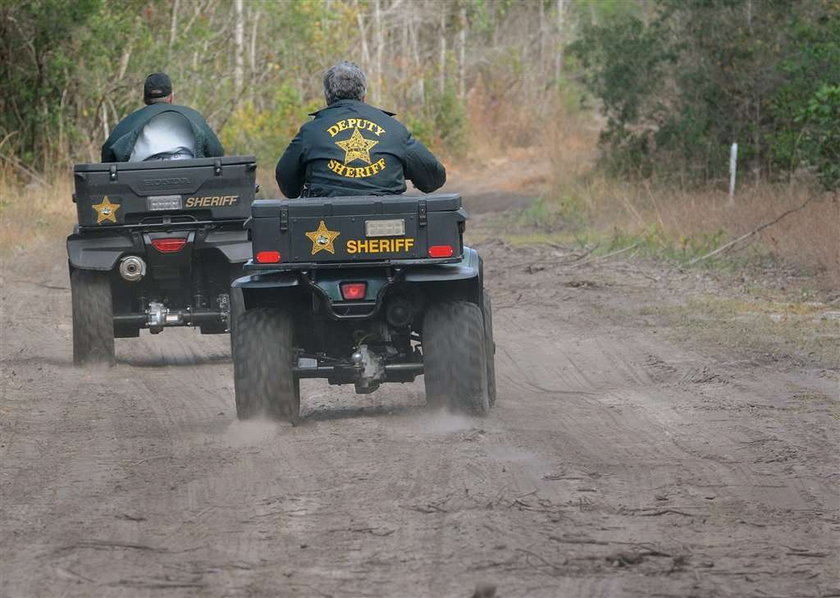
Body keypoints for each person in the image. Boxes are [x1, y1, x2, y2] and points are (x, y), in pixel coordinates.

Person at [276, 61, 445, 197]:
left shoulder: (310, 132)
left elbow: (287, 184)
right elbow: (433, 177)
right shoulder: (394, 129)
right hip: (388, 231)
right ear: (364, 94)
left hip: (325, 231)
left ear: (327, 96)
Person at [101, 72, 224, 162]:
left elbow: (108, 152)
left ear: (144, 99)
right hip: (189, 179)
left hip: (140, 181)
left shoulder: (129, 122)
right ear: (171, 97)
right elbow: (216, 151)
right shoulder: (193, 116)